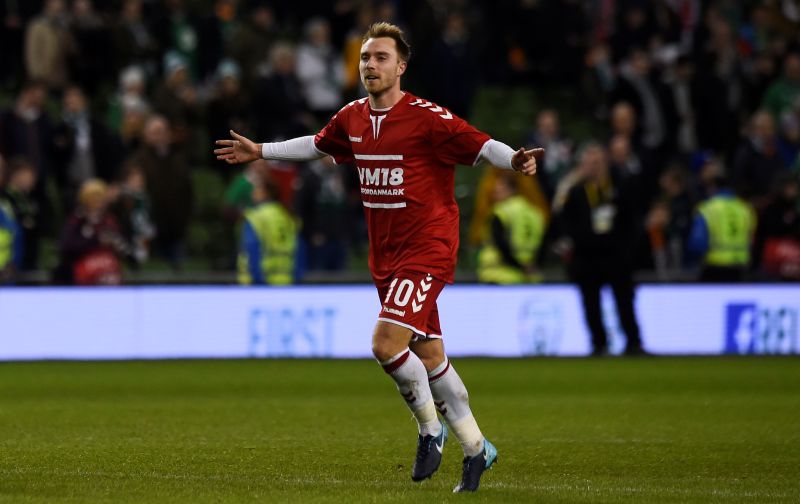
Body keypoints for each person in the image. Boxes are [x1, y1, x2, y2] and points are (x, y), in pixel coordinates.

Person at [214, 22, 541, 493]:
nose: (371, 64)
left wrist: (513, 159)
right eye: (366, 57)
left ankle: (431, 431)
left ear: (401, 66)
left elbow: (479, 143)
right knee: (430, 357)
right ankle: (477, 448)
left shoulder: (427, 118)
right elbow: (316, 145)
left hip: (427, 248)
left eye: (381, 57)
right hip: (386, 256)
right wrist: (261, 151)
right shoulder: (352, 118)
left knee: (386, 344)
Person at [558, 143, 646, 357]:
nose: (594, 167)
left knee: (624, 301)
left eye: (597, 162)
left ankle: (633, 343)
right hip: (587, 256)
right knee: (591, 304)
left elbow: (631, 222)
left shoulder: (619, 188)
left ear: (606, 163)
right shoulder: (576, 191)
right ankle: (599, 345)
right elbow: (564, 220)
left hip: (616, 255)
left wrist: (627, 249)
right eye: (589, 163)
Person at [477, 173, 545, 284]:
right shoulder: (534, 212)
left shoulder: (500, 211)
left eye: (499, 190)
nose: (495, 194)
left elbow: (500, 244)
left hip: (499, 274)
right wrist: (533, 266)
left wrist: (518, 266)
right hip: (529, 276)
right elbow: (543, 240)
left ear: (513, 189)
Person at [688, 174, 757, 282]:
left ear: (713, 188)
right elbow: (752, 238)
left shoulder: (707, 208)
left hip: (715, 266)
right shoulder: (745, 209)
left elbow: (698, 243)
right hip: (741, 267)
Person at [238, 176, 297, 285]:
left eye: (257, 189)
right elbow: (298, 247)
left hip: (260, 279)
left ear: (266, 193)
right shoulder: (286, 216)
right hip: (285, 279)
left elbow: (252, 249)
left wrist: (256, 279)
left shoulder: (255, 217)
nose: (253, 193)